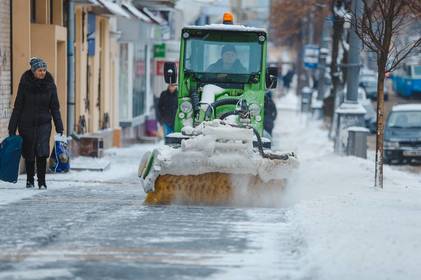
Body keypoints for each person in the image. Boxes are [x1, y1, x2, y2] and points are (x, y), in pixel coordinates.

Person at [8, 57, 64, 189]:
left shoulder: (50, 85)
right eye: (40, 70)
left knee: (42, 152)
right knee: (29, 152)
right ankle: (29, 180)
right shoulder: (24, 84)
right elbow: (18, 107)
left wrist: (59, 126)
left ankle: (42, 181)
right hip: (26, 123)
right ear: (33, 70)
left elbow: (55, 107)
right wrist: (12, 127)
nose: (42, 73)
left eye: (44, 70)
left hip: (44, 124)